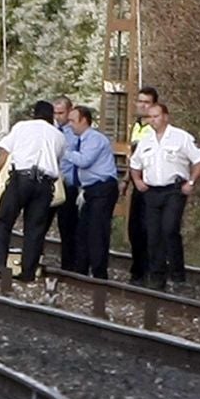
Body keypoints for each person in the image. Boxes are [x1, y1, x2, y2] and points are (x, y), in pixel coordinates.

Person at [0, 100, 66, 282]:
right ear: (51, 116)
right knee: (35, 229)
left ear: (34, 113)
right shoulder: (59, 136)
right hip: (45, 184)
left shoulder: (22, 127)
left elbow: (4, 153)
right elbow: (58, 161)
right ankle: (28, 272)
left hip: (21, 180)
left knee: (4, 221)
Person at [129, 103, 200, 290]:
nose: (153, 121)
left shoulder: (181, 138)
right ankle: (157, 276)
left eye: (156, 116)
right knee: (153, 233)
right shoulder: (146, 141)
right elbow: (135, 164)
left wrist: (191, 181)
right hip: (152, 191)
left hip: (173, 190)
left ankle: (177, 276)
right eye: (150, 117)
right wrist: (137, 180)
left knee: (169, 229)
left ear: (165, 116)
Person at [62, 106, 119, 278]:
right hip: (89, 190)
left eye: (73, 121)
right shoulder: (81, 140)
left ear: (84, 120)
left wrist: (63, 152)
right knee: (83, 230)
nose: (69, 125)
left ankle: (99, 273)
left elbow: (85, 161)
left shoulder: (94, 139)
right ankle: (82, 270)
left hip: (102, 188)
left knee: (97, 231)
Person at [125, 86, 158, 285]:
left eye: (147, 102)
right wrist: (127, 180)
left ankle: (147, 271)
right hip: (137, 182)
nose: (142, 106)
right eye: (140, 101)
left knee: (149, 229)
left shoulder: (155, 129)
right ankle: (137, 269)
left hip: (152, 183)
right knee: (135, 229)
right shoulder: (136, 126)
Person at [50, 95, 80, 270]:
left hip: (69, 185)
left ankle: (69, 264)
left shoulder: (75, 132)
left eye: (61, 113)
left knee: (68, 226)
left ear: (70, 111)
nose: (58, 117)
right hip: (50, 183)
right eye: (55, 113)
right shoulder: (49, 130)